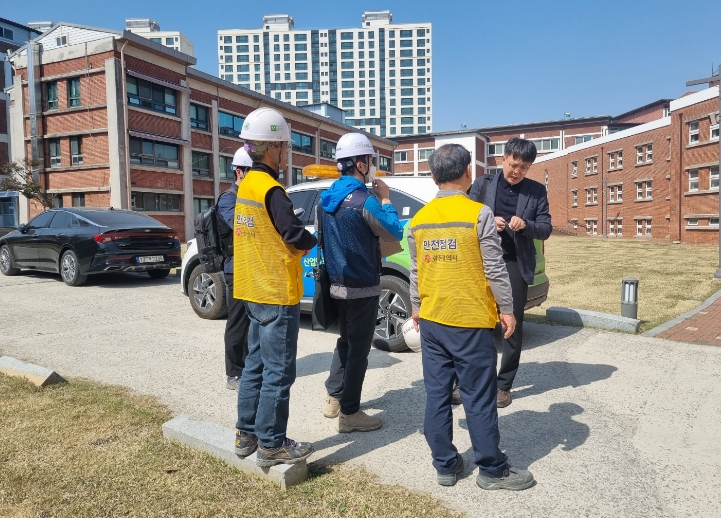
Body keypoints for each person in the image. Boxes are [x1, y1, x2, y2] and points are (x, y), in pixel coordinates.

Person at [409, 143, 534, 490]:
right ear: (468, 172)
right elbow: (495, 268)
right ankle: (492, 470)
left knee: (437, 394)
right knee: (478, 396)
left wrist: (416, 306)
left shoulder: (418, 220)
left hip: (432, 320)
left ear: (433, 176)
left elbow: (417, 270)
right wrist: (507, 309)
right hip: (469, 320)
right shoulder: (478, 214)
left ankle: (445, 465)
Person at [232, 107, 317, 467]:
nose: (286, 154)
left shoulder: (247, 185)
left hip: (252, 287)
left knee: (254, 365)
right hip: (276, 290)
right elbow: (293, 235)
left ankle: (246, 433)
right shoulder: (272, 190)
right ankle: (271, 444)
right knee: (279, 372)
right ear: (272, 148)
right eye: (284, 146)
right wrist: (312, 239)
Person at [319, 132, 404, 433]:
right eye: (369, 160)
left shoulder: (326, 198)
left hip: (336, 284)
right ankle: (350, 414)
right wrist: (386, 199)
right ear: (360, 164)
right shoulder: (364, 200)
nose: (372, 165)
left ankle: (334, 398)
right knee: (359, 351)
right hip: (362, 286)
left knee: (345, 341)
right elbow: (394, 231)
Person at [468, 138, 552, 408]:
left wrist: (525, 225)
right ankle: (473, 381)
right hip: (481, 261)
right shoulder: (482, 185)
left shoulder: (536, 191)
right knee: (477, 324)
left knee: (511, 325)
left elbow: (545, 228)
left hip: (515, 262)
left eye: (524, 168)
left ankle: (503, 385)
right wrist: (487, 222)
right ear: (503, 159)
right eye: (513, 165)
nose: (517, 172)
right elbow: (466, 217)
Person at [216, 148, 252, 391]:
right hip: (236, 268)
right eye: (251, 172)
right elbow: (241, 227)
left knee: (252, 321)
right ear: (239, 172)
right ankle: (234, 373)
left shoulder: (249, 197)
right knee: (238, 322)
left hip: (251, 265)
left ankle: (249, 366)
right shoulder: (229, 199)